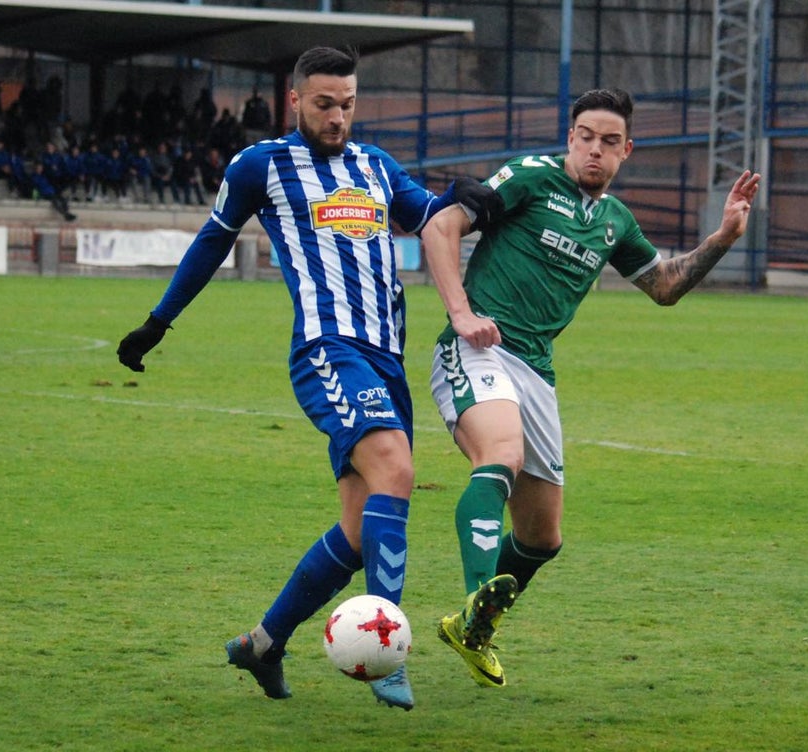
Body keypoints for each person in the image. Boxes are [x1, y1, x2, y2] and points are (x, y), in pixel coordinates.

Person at [115, 46, 482, 712]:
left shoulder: (376, 166)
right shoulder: (262, 165)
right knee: (396, 471)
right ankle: (387, 649)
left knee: (354, 528)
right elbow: (211, 240)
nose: (338, 117)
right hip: (325, 350)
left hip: (384, 360)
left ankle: (263, 643)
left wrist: (467, 195)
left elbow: (429, 214)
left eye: (347, 103)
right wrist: (157, 322)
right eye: (324, 104)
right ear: (294, 100)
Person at [420, 88, 760, 689]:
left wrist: (725, 236)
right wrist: (460, 313)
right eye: (584, 136)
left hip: (536, 372)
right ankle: (477, 598)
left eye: (608, 141)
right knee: (500, 456)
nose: (594, 149)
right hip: (479, 349)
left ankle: (469, 631)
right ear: (569, 138)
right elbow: (443, 226)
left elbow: (664, 285)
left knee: (541, 537)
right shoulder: (528, 178)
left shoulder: (614, 221)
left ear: (627, 150)